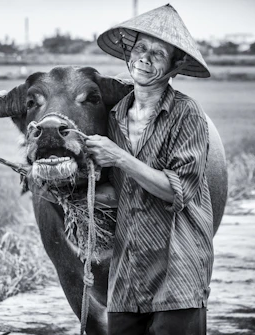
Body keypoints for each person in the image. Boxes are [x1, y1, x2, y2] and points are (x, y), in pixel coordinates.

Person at [86, 4, 214, 335]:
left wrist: (118, 157)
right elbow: (121, 192)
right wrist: (62, 185)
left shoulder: (188, 115)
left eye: (158, 53)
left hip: (178, 275)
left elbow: (177, 190)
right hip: (126, 277)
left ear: (175, 66)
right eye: (140, 48)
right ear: (129, 54)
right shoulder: (114, 117)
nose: (145, 58)